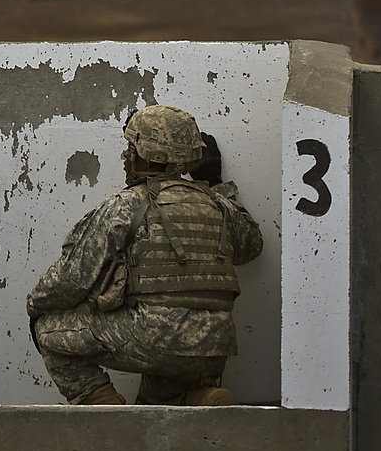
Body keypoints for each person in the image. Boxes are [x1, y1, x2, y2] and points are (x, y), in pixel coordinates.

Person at [27, 104, 263, 406]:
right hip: (212, 348)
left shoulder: (127, 205)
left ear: (149, 155)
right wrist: (216, 185)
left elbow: (71, 278)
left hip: (151, 338)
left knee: (47, 329)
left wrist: (35, 305)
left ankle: (99, 401)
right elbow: (252, 245)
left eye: (131, 147)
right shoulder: (218, 206)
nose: (126, 156)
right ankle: (196, 396)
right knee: (154, 404)